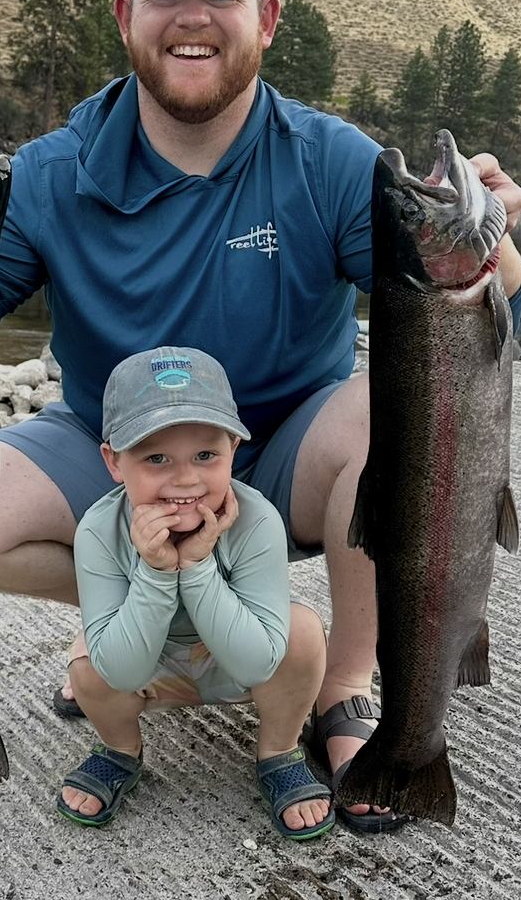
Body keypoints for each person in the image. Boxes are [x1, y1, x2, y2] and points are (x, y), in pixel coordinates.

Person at [0, 0, 521, 831]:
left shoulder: (334, 161)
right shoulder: (55, 170)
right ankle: (143, 614)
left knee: (394, 410)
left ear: (264, 19)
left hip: (284, 453)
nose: (193, 17)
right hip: (115, 453)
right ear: (125, 18)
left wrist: (494, 244)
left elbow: (462, 340)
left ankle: (344, 688)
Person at [58, 345, 332, 838]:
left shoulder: (257, 520)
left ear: (234, 449)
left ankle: (278, 750)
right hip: (150, 668)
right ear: (114, 462)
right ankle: (121, 750)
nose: (185, 479)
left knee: (305, 633)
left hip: (237, 664)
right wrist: (158, 572)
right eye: (155, 457)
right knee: (88, 668)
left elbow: (257, 664)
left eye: (206, 455)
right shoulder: (99, 532)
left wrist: (199, 565)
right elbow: (122, 670)